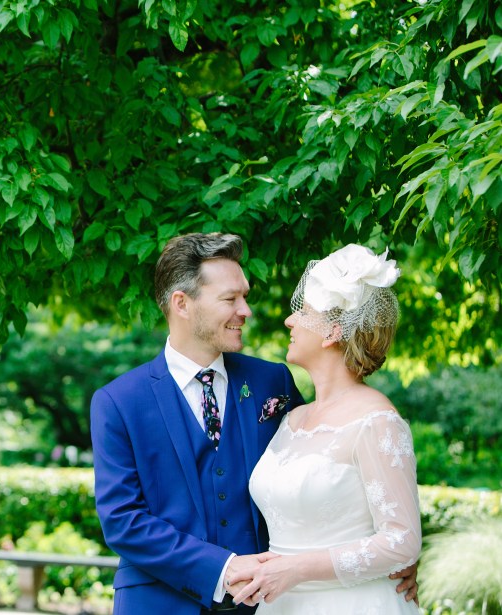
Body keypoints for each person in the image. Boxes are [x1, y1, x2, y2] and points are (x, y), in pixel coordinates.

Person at [90, 233, 417, 614]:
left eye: (244, 296)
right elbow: (122, 520)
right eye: (230, 299)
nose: (246, 310)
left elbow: (342, 474)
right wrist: (223, 569)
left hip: (270, 603)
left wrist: (387, 558)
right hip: (159, 603)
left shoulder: (271, 382)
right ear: (182, 303)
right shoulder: (119, 402)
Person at [227, 244, 421, 613]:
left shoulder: (376, 421)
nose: (290, 320)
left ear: (332, 332)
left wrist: (296, 569)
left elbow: (402, 540)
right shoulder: (292, 419)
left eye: (303, 312)